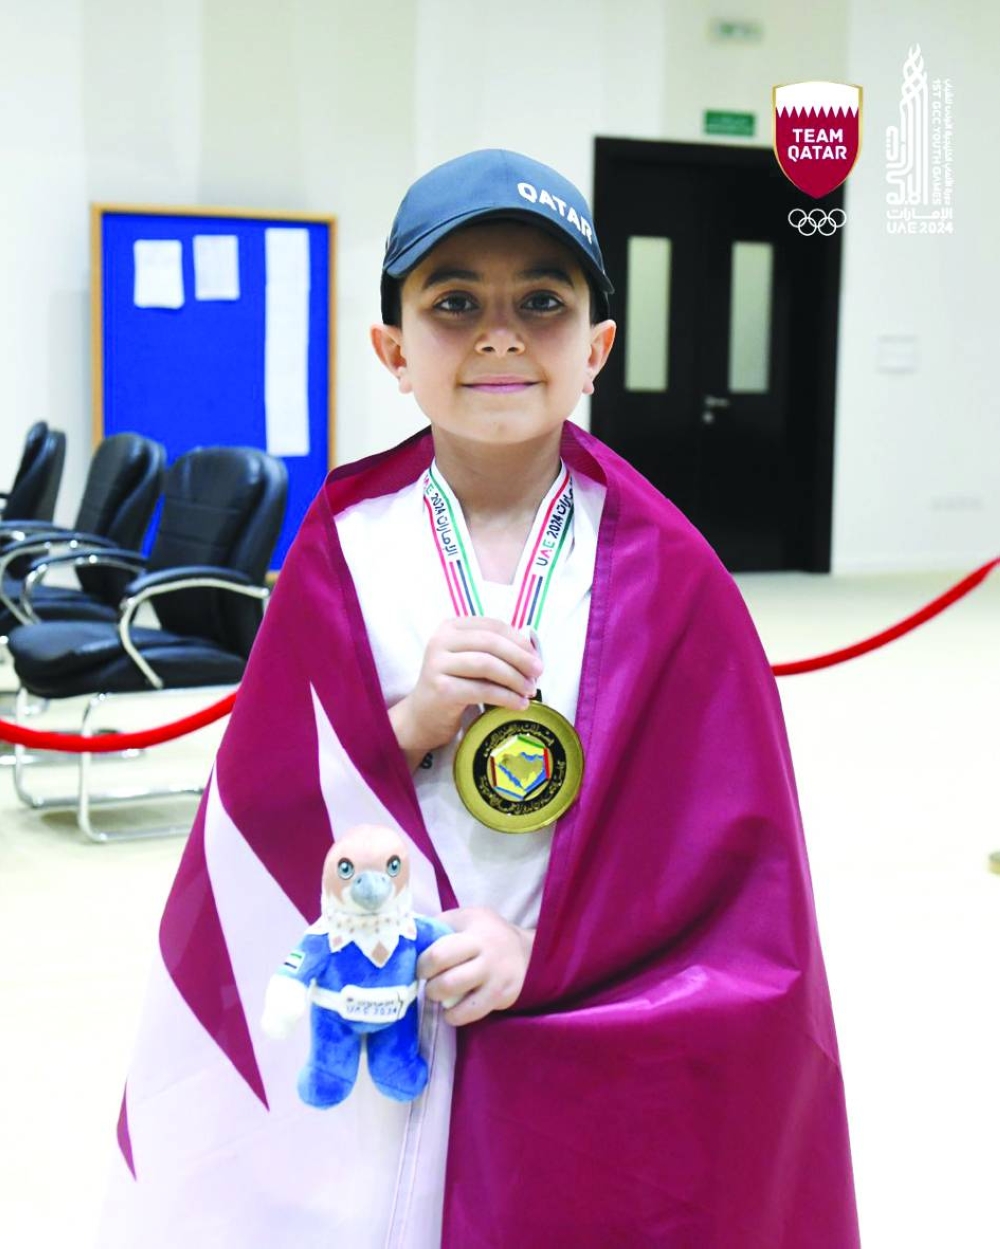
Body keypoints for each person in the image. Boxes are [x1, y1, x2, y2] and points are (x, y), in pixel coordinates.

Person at [98, 150, 859, 1248]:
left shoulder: (671, 569)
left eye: (542, 302)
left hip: (573, 1001)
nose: (500, 335)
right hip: (375, 1003)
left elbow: (724, 865)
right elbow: (255, 811)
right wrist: (405, 725)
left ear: (596, 349)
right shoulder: (345, 546)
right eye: (455, 303)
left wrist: (541, 949)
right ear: (394, 351)